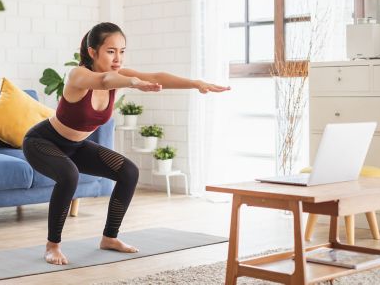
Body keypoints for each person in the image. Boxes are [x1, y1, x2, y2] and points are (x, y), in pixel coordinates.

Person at [22, 22, 230, 265]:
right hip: (42, 141)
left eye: (122, 51)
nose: (118, 58)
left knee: (128, 171)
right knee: (69, 175)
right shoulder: (78, 75)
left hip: (76, 146)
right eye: (111, 51)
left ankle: (110, 238)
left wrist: (196, 83)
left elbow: (156, 76)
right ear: (92, 52)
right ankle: (52, 246)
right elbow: (104, 80)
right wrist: (131, 82)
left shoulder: (119, 74)